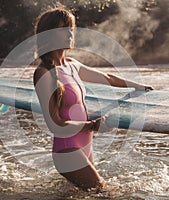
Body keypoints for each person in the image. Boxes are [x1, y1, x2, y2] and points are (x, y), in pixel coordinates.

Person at [33, 5, 154, 190]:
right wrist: (92, 125)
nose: (70, 34)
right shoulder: (44, 73)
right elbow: (54, 123)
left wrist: (137, 86)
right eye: (63, 30)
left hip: (84, 142)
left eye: (71, 29)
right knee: (104, 193)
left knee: (88, 195)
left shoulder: (72, 65)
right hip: (67, 148)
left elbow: (107, 78)